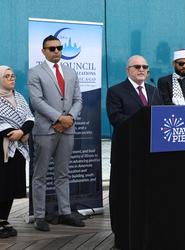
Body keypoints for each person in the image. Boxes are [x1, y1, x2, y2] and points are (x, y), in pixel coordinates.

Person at [106, 55, 162, 248]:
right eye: (137, 66)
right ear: (127, 70)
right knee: (123, 196)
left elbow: (160, 119)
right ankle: (122, 236)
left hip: (151, 155)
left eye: (145, 67)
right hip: (126, 155)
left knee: (147, 195)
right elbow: (116, 119)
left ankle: (146, 232)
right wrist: (141, 121)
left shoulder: (154, 91)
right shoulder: (115, 91)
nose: (141, 70)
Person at [28, 35, 83, 231]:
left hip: (67, 130)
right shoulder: (35, 72)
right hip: (45, 130)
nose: (57, 51)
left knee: (63, 174)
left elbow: (78, 100)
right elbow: (37, 102)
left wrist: (70, 119)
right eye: (52, 48)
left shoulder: (71, 72)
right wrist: (60, 119)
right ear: (43, 51)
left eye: (59, 48)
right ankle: (40, 217)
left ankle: (65, 212)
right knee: (40, 175)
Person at [0, 66, 34, 238]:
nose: (11, 78)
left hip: (18, 149)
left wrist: (21, 132)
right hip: (2, 148)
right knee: (1, 185)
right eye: (7, 76)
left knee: (11, 186)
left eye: (13, 76)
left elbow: (30, 118)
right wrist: (16, 132)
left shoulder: (19, 97)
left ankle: (3, 219)